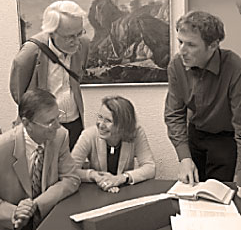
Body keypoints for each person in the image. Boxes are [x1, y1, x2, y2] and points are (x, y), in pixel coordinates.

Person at [164, 10, 241, 187]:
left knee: (222, 197)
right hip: (195, 135)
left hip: (225, 141)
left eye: (191, 45)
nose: (182, 51)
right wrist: (184, 158)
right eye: (180, 42)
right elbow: (174, 114)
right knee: (192, 192)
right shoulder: (176, 65)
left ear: (213, 45)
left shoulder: (235, 67)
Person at [10, 0, 90, 151]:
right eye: (69, 36)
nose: (76, 41)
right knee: (43, 170)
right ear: (51, 32)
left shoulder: (83, 44)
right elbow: (19, 93)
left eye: (79, 33)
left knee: (70, 168)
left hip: (74, 122)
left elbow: (79, 75)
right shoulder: (29, 53)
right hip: (42, 126)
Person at [0, 89, 80, 230]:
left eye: (58, 117)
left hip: (49, 219)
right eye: (50, 122)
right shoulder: (3, 147)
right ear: (27, 123)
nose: (58, 126)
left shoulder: (60, 136)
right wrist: (16, 213)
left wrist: (36, 204)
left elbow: (71, 178)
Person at [72, 96, 155, 193]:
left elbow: (150, 168)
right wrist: (93, 175)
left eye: (108, 121)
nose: (101, 124)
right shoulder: (88, 135)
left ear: (123, 125)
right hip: (96, 192)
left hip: (125, 192)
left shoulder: (136, 133)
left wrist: (122, 178)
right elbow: (70, 170)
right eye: (100, 117)